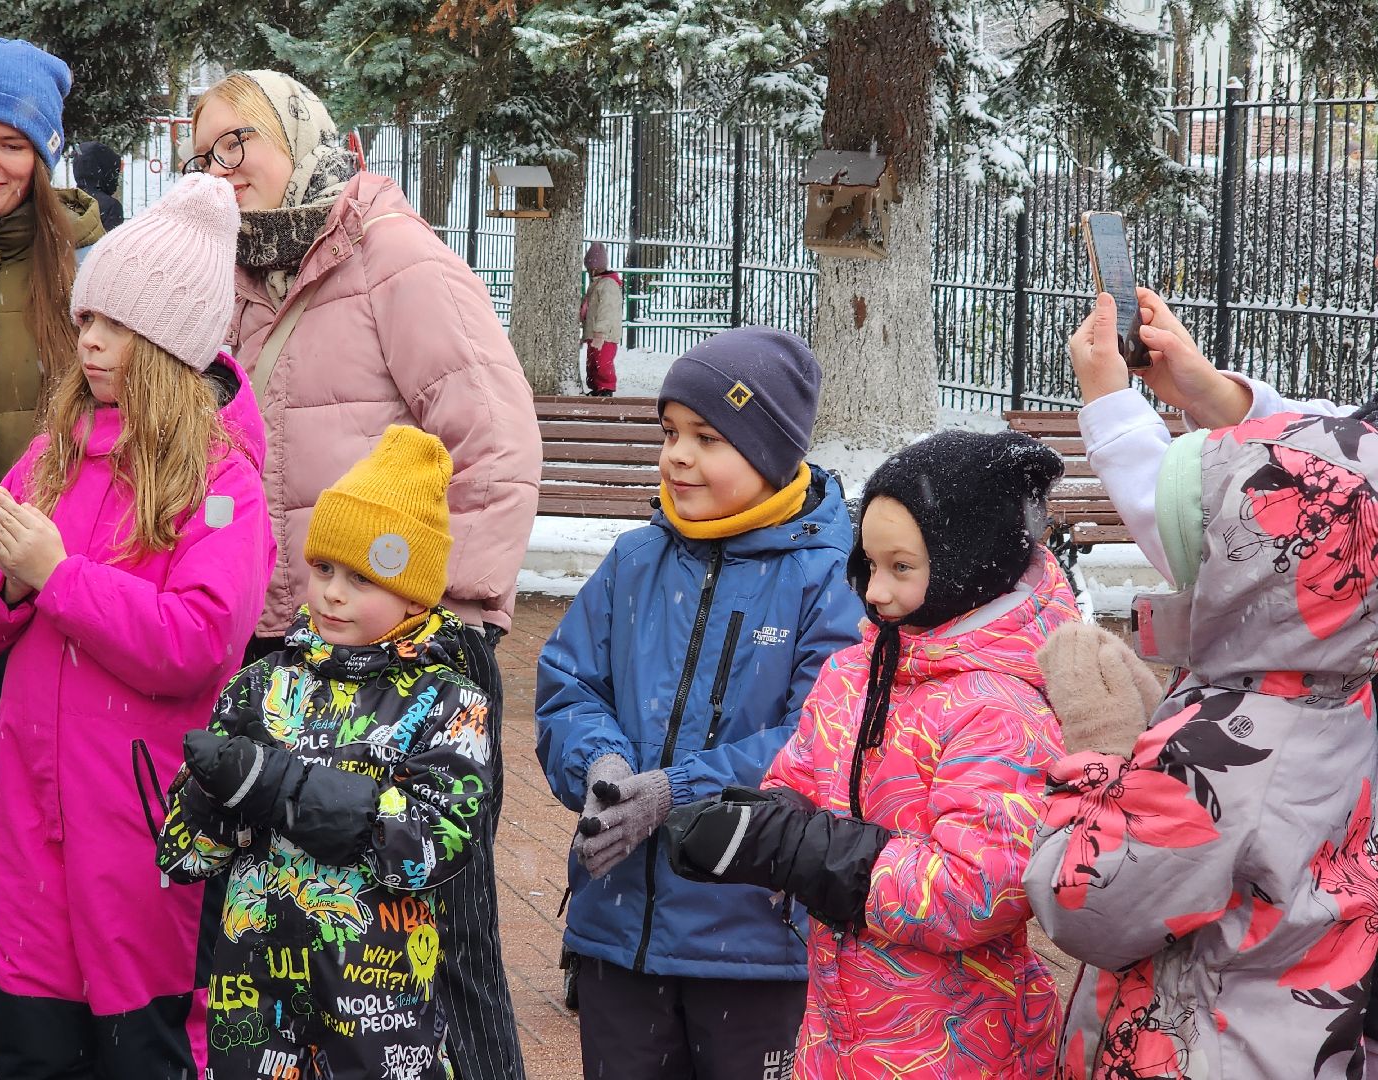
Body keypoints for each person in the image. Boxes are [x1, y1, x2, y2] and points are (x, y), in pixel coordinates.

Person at [186, 74, 537, 1076]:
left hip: (410, 660)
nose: (223, 167)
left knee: (438, 939)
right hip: (293, 661)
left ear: (303, 136)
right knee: (297, 936)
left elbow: (496, 442)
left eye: (238, 141)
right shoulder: (239, 283)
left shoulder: (398, 261)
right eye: (205, 151)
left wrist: (452, 622)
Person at [0, 173, 273, 1078]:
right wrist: (9, 589)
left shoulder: (221, 481)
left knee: (143, 1054)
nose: (87, 340)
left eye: (113, 325)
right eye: (87, 319)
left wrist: (55, 577)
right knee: (36, 1053)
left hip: (140, 827)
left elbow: (198, 641)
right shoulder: (53, 454)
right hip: (29, 827)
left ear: (167, 344)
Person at [1021, 292, 1378, 1078]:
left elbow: (1083, 904)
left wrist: (1107, 756)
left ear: (1242, 570)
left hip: (1195, 1050)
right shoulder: (1345, 695)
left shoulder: (1229, 742)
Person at [666, 430, 1079, 1078]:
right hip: (838, 1028)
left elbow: (976, 890)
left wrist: (804, 849)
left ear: (965, 564)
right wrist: (754, 820)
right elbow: (801, 771)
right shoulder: (856, 672)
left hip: (956, 1044)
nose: (875, 591)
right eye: (868, 565)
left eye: (902, 568)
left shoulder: (1001, 711)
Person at [534, 327, 865, 1079]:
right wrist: (602, 765)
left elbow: (820, 741)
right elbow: (567, 684)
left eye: (708, 437)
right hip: (618, 931)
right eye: (671, 432)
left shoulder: (827, 579)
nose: (677, 455)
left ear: (774, 453)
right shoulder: (635, 561)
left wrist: (677, 793)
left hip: (756, 947)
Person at [157, 425, 496, 1080]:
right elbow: (184, 854)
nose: (334, 593)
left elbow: (434, 846)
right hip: (255, 1004)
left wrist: (285, 789)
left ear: (414, 591)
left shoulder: (449, 703)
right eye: (324, 568)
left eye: (363, 578)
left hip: (380, 1015)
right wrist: (214, 796)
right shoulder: (263, 684)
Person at [0, 37, 105, 1079]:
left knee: (65, 856)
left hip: (60, 607)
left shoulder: (88, 272)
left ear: (45, 158)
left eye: (12, 144)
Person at [579, 241, 622, 397]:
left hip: (605, 334)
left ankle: (606, 388)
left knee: (602, 363)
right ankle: (596, 387)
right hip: (594, 332)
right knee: (592, 363)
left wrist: (600, 332)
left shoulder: (608, 284)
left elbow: (607, 311)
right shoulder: (597, 284)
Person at [70, 141, 124, 232]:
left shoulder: (70, 199)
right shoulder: (111, 207)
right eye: (116, 172)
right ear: (107, 171)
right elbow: (113, 244)